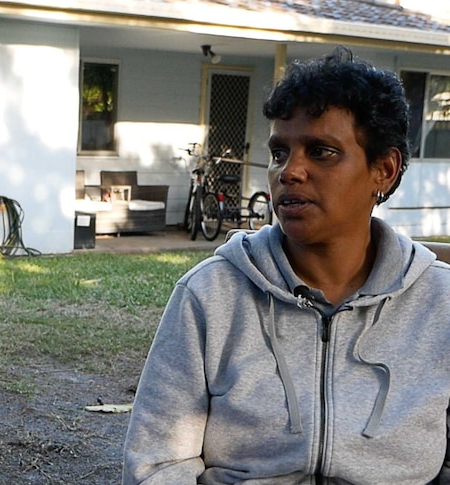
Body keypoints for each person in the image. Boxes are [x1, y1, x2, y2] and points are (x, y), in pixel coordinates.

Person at [123, 46, 450, 484]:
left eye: (321, 152)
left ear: (384, 170)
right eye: (280, 152)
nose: (289, 171)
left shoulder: (440, 304)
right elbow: (157, 465)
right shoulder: (210, 296)